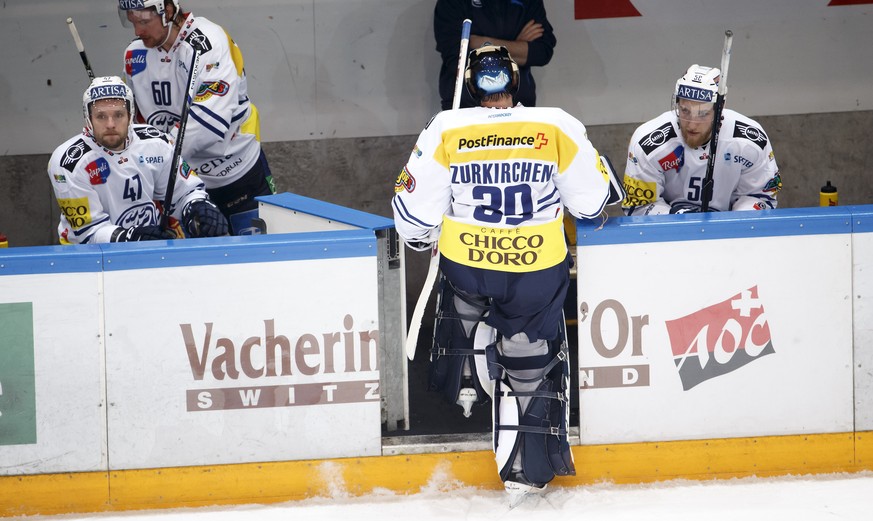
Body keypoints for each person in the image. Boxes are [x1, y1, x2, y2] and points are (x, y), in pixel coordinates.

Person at [392, 45, 610, 501]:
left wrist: (426, 230)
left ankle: (462, 366)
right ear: (516, 81)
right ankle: (524, 461)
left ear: (472, 85)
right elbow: (591, 203)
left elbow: (412, 218)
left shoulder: (447, 126)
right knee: (529, 350)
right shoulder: (555, 124)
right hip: (535, 270)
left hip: (468, 265)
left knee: (461, 292)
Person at [117, 0, 275, 235]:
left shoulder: (207, 41)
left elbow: (207, 128)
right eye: (132, 21)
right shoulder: (135, 55)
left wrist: (154, 161)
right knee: (196, 266)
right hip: (183, 187)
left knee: (259, 261)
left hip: (238, 175)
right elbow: (137, 126)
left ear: (168, 11)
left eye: (144, 22)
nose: (138, 32)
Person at [48, 75, 227, 244]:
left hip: (148, 245)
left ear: (130, 115)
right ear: (88, 119)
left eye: (118, 115)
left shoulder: (156, 142)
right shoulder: (68, 163)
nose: (110, 124)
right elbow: (89, 233)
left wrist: (197, 208)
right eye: (101, 116)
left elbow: (183, 193)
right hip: (87, 258)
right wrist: (131, 238)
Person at [622, 64, 782, 215]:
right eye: (685, 110)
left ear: (720, 109)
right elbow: (639, 206)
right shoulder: (648, 143)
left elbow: (760, 198)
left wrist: (730, 224)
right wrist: (679, 218)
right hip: (669, 234)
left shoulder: (751, 142)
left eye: (703, 113)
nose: (692, 124)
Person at [434, 0, 556, 110]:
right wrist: (518, 45)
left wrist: (480, 42)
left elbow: (542, 52)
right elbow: (459, 58)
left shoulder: (528, 2)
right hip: (467, 108)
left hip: (518, 107)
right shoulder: (452, 2)